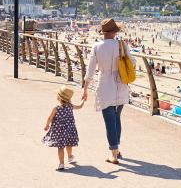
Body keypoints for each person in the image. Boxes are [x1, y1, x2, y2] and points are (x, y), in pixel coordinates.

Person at [82, 18, 134, 165]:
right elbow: (133, 62)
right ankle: (117, 149)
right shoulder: (122, 45)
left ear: (103, 32)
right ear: (115, 32)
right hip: (121, 84)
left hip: (105, 85)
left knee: (110, 120)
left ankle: (114, 154)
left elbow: (90, 70)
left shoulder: (97, 47)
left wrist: (85, 89)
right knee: (117, 118)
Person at [43, 85, 85, 171]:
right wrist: (83, 100)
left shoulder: (56, 108)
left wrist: (47, 125)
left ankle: (61, 164)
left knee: (60, 147)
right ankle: (70, 156)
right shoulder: (70, 106)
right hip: (70, 130)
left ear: (59, 97)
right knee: (69, 144)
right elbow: (80, 106)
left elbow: (50, 118)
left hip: (59, 131)